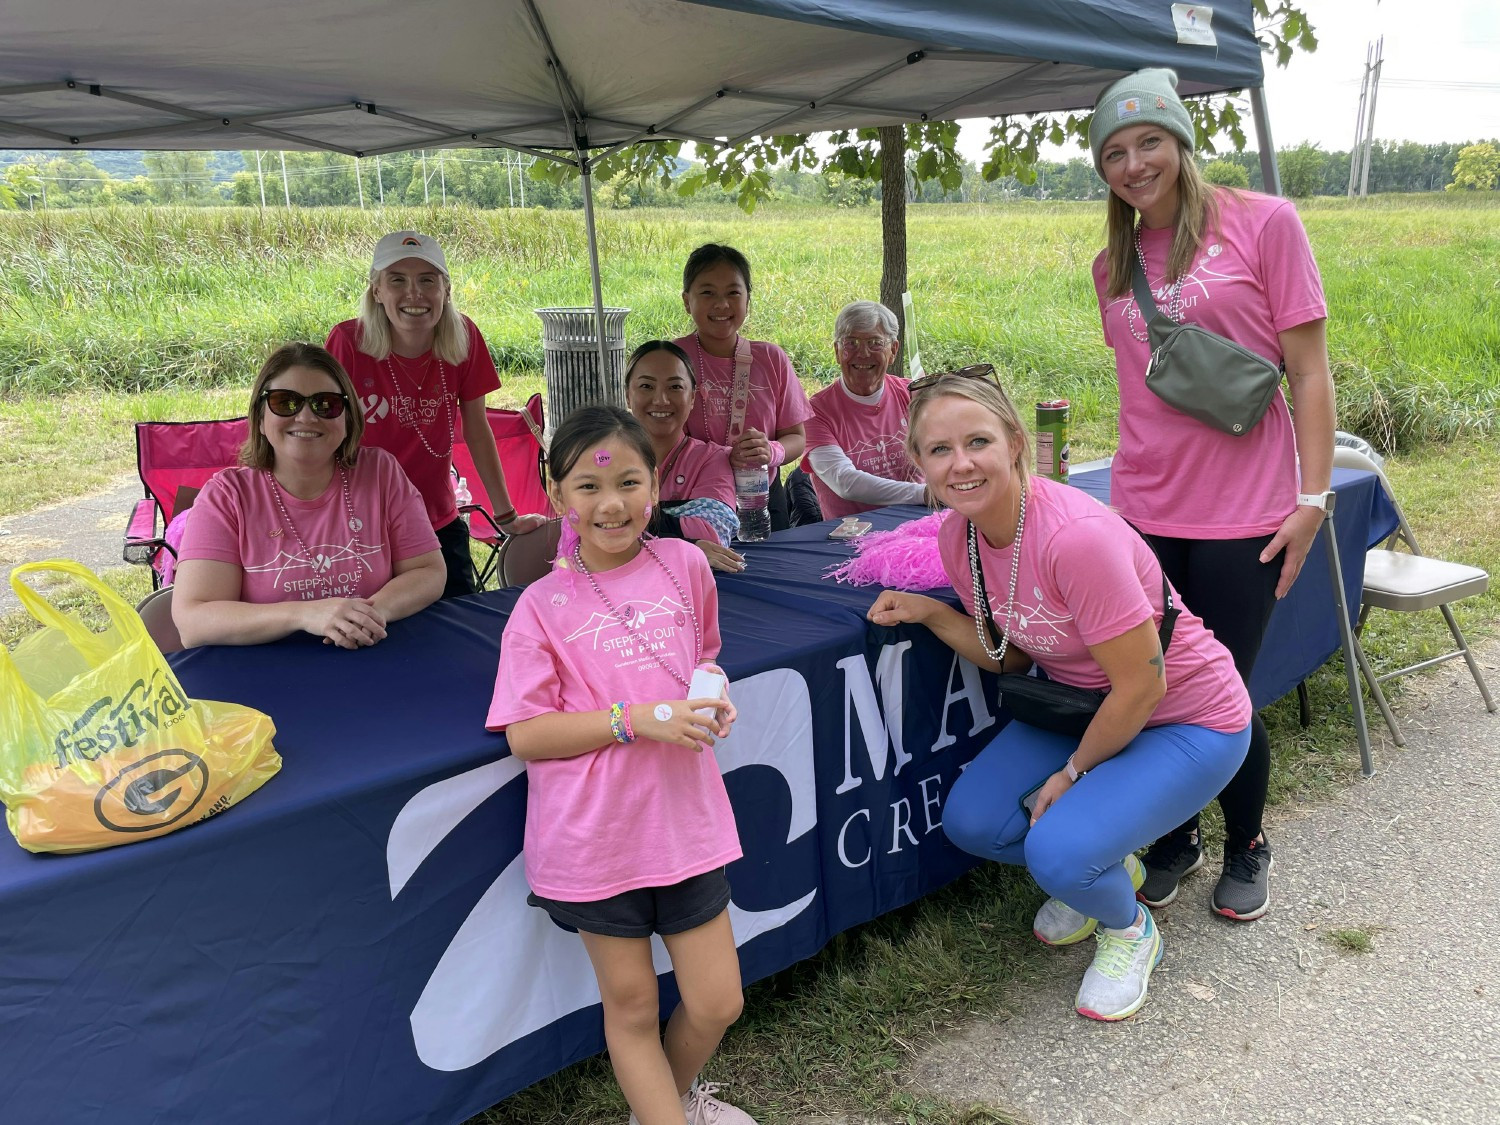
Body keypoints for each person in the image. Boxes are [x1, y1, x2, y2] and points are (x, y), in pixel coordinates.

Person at [867, 370, 1251, 1021]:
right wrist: (929, 615)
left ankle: (1129, 929)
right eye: (939, 450)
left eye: (978, 441)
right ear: (919, 463)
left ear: (1016, 441)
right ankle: (1101, 865)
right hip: (1081, 703)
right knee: (973, 821)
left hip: (1186, 717)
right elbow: (1012, 652)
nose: (960, 463)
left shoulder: (1075, 537)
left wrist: (1073, 775)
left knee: (1056, 846)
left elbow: (1143, 683)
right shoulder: (955, 537)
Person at [1089, 68, 1336, 921]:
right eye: (1114, 152)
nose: (1133, 164)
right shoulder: (1111, 265)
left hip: (1247, 515)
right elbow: (1138, 391)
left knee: (1221, 690)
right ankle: (1175, 835)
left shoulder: (1265, 222)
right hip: (1143, 513)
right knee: (1151, 683)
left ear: (1181, 140)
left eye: (1148, 141)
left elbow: (1307, 371)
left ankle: (1248, 841)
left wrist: (1315, 497)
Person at [486, 405, 754, 1125]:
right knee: (631, 1005)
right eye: (588, 487)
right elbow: (526, 734)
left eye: (629, 481)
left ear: (656, 483)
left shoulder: (687, 563)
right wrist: (634, 720)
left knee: (718, 998)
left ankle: (661, 1103)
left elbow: (702, 658)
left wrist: (711, 693)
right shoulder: (539, 607)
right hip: (595, 839)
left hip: (686, 826)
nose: (612, 503)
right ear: (557, 495)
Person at [173, 342, 444, 648]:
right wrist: (305, 615)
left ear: (348, 420)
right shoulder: (227, 496)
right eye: (285, 402)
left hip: (369, 656)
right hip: (266, 673)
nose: (305, 416)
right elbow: (193, 620)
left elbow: (428, 570)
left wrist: (366, 615)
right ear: (260, 418)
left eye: (325, 404)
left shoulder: (380, 472)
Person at [325, 230, 546, 599]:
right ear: (377, 290)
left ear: (446, 290)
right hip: (359, 521)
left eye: (427, 280)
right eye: (398, 280)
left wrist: (507, 516)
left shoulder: (464, 337)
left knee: (459, 623)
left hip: (436, 517)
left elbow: (477, 429)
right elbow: (320, 433)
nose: (415, 293)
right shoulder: (349, 342)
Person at [674, 243, 813, 532]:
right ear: (687, 301)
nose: (722, 304)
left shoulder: (771, 358)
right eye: (707, 292)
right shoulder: (671, 360)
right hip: (694, 496)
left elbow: (796, 439)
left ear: (748, 300)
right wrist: (722, 457)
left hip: (762, 497)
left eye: (733, 293)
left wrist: (769, 451)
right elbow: (658, 439)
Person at [624, 340, 746, 573]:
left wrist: (626, 520)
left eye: (675, 387)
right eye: (646, 386)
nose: (661, 399)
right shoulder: (605, 458)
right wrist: (682, 531)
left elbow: (711, 533)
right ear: (628, 396)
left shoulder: (710, 459)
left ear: (692, 398)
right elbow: (586, 529)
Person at [804, 300, 926, 518]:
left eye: (875, 343)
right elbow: (845, 482)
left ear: (893, 351)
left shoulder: (915, 395)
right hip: (852, 537)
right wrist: (925, 494)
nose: (862, 353)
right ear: (837, 351)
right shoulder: (815, 411)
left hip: (916, 525)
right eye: (850, 343)